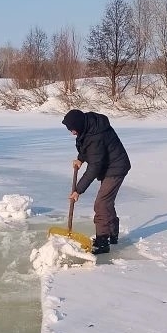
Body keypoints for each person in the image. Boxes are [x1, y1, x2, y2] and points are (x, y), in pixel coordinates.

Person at [62, 109, 131, 255]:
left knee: (101, 204)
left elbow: (94, 166)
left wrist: (78, 190)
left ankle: (102, 242)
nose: (72, 133)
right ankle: (112, 234)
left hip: (116, 168)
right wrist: (80, 158)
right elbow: (86, 145)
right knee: (106, 202)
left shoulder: (96, 136)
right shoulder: (89, 127)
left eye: (73, 129)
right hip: (108, 166)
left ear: (79, 125)